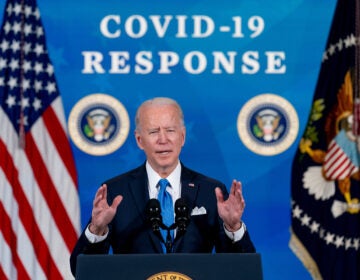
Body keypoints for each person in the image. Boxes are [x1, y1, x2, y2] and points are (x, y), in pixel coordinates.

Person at [70, 97, 256, 276]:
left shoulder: (211, 191)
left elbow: (241, 269)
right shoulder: (116, 192)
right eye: (153, 132)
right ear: (139, 140)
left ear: (182, 137)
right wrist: (97, 230)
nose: (163, 139)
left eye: (170, 130)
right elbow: (80, 269)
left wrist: (233, 228)